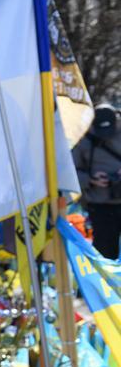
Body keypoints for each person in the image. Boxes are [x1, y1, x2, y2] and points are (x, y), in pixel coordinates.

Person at [73, 102, 121, 258]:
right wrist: (91, 180)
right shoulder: (82, 139)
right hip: (100, 206)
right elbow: (71, 173)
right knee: (105, 253)